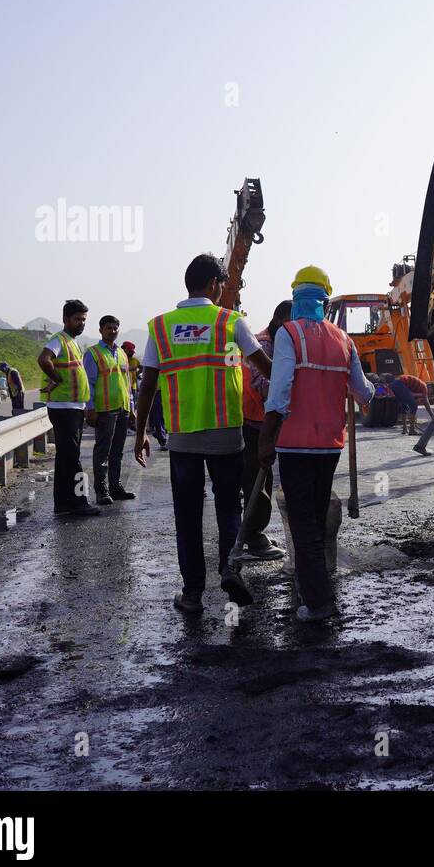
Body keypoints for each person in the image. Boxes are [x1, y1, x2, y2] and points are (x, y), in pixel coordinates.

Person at [133, 253, 273, 614]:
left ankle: (193, 594)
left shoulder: (162, 327)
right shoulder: (231, 322)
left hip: (183, 437)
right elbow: (265, 368)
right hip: (226, 434)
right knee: (229, 508)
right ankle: (230, 569)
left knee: (188, 515)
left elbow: (148, 386)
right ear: (213, 284)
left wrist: (140, 433)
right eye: (223, 285)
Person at [257, 266, 374, 623]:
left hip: (294, 445)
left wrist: (266, 437)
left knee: (303, 524)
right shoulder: (344, 339)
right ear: (325, 299)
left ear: (296, 298)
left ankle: (319, 602)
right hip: (329, 446)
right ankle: (320, 592)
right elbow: (363, 391)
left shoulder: (290, 334)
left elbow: (278, 392)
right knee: (315, 518)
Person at [37, 299, 101, 516]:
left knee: (65, 456)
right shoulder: (59, 340)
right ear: (65, 319)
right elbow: (44, 359)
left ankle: (63, 503)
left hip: (72, 407)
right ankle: (79, 501)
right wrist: (56, 378)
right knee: (72, 457)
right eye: (77, 320)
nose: (81, 324)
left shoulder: (73, 342)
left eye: (83, 320)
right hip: (64, 407)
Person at [239, 300, 292, 561]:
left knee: (264, 478)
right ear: (279, 320)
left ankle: (254, 531)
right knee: (256, 479)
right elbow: (262, 385)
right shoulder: (263, 345)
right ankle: (252, 537)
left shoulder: (282, 341)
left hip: (267, 419)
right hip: (254, 420)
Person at [84, 315, 136, 505]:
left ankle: (116, 486)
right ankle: (102, 490)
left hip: (122, 408)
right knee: (103, 451)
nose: (112, 331)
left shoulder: (122, 354)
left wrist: (131, 408)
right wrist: (90, 409)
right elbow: (88, 383)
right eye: (108, 328)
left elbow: (127, 383)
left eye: (115, 328)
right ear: (101, 330)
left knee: (117, 451)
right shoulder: (93, 353)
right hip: (104, 410)